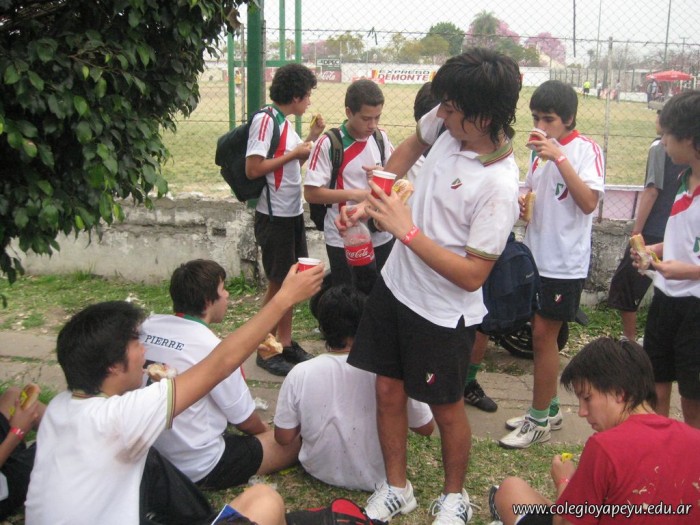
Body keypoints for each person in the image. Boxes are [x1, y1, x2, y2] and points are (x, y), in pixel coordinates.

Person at [341, 48, 522, 524]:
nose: (440, 115)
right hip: (396, 286)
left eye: (451, 109)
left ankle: (454, 497)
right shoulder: (446, 121)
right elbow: (410, 147)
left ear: (483, 117)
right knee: (387, 389)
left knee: (446, 408)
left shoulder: (499, 185)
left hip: (442, 312)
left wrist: (406, 231)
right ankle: (396, 487)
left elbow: (473, 274)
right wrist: (373, 198)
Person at [24, 264, 324, 524]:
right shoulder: (120, 418)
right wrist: (284, 297)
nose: (144, 351)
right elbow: (223, 361)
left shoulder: (61, 407)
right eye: (135, 344)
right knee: (265, 501)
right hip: (205, 464)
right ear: (113, 366)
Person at [490, 337, 700, 525]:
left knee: (510, 491)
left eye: (587, 398)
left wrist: (564, 481)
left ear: (619, 393)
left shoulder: (605, 447)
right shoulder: (694, 440)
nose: (582, 412)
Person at [499, 80, 604, 449]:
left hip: (564, 263)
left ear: (569, 119)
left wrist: (559, 156)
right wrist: (525, 202)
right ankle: (551, 408)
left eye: (548, 119)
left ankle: (538, 420)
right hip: (536, 256)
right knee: (540, 335)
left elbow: (588, 203)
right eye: (535, 118)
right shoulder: (537, 151)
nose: (540, 126)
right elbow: (533, 192)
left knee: (544, 337)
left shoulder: (585, 150)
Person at [140, 259, 301, 489]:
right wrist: (267, 436)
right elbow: (245, 421)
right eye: (223, 289)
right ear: (208, 301)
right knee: (295, 440)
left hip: (151, 455)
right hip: (196, 466)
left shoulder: (148, 325)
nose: (227, 295)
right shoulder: (215, 349)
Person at [274, 285, 434, 491]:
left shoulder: (300, 373)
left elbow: (283, 437)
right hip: (381, 475)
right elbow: (425, 427)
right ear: (366, 324)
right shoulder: (390, 371)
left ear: (322, 328)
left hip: (319, 471)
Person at [246, 63, 326, 376]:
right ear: (295, 96)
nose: (309, 101)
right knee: (279, 284)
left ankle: (285, 343)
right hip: (274, 215)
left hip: (290, 212)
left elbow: (287, 161)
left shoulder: (283, 122)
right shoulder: (265, 120)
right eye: (307, 95)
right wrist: (294, 154)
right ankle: (264, 349)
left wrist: (311, 138)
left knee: (289, 281)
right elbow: (254, 168)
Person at [634, 90, 700, 429]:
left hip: (695, 305)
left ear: (689, 138)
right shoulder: (682, 178)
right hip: (666, 295)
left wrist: (685, 271)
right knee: (656, 379)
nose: (662, 142)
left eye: (667, 135)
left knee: (693, 395)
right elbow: (685, 240)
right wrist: (654, 251)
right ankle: (659, 448)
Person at [304, 79, 395, 292]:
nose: (372, 125)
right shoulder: (329, 143)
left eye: (377, 117)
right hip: (344, 236)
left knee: (381, 294)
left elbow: (397, 178)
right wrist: (356, 194)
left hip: (380, 232)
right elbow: (311, 193)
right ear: (348, 112)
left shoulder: (380, 138)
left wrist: (383, 173)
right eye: (366, 118)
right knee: (348, 297)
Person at [607, 111, 686, 342]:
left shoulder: (659, 148)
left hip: (653, 229)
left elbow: (652, 190)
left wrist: (637, 230)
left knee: (626, 283)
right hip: (673, 229)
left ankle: (630, 340)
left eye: (660, 115)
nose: (656, 120)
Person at [0, 386, 44, 519]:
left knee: (14, 397)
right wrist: (16, 432)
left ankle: (78, 424)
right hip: (4, 485)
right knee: (58, 447)